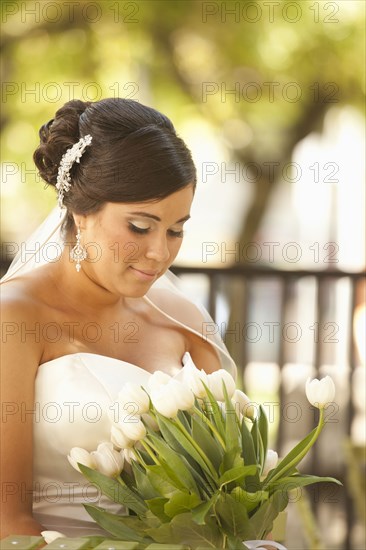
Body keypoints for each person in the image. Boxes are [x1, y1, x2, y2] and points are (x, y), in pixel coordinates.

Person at [0, 98, 236, 538]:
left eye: (176, 229)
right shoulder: (15, 318)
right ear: (81, 213)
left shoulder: (183, 321)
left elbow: (235, 488)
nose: (159, 253)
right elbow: (5, 520)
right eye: (140, 228)